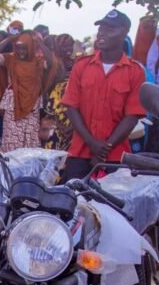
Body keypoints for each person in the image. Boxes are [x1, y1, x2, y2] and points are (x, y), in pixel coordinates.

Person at [60, 9, 146, 182]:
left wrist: (106, 148)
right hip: (80, 152)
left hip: (115, 156)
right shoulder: (82, 65)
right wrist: (91, 142)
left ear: (124, 32)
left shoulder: (135, 71)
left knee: (111, 200)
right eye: (101, 29)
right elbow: (71, 106)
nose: (102, 33)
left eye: (110, 29)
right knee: (71, 197)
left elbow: (132, 115)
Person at [0, 31, 58, 152]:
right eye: (18, 48)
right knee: (11, 144)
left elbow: (51, 62)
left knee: (29, 145)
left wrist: (40, 42)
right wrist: (9, 39)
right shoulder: (10, 59)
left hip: (32, 107)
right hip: (13, 107)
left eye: (25, 48)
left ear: (31, 47)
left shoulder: (38, 62)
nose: (21, 51)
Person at [43, 33, 77, 151]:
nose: (68, 49)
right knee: (55, 140)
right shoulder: (53, 64)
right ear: (57, 46)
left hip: (73, 104)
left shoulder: (76, 62)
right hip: (55, 105)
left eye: (70, 45)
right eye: (64, 46)